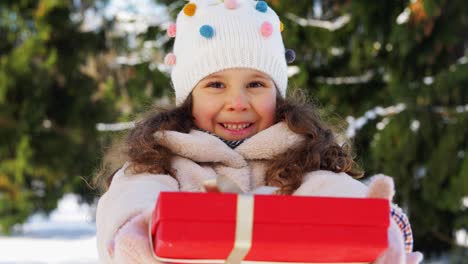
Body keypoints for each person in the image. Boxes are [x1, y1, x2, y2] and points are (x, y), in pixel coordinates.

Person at [94, 0, 423, 263]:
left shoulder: (299, 161)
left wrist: (375, 222)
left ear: (276, 95)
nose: (237, 101)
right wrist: (136, 226)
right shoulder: (164, 162)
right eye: (216, 85)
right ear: (189, 99)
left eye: (255, 84)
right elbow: (132, 195)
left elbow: (329, 192)